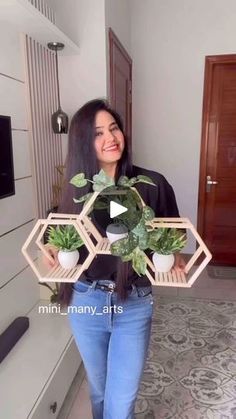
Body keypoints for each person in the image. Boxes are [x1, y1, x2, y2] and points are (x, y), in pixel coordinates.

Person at [48, 99, 185, 419]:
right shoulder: (76, 190)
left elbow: (174, 237)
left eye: (114, 128)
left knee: (121, 401)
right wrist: (51, 248)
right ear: (84, 143)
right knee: (99, 392)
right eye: (98, 133)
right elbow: (55, 236)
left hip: (134, 304)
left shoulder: (152, 185)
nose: (111, 137)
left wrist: (174, 257)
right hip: (86, 302)